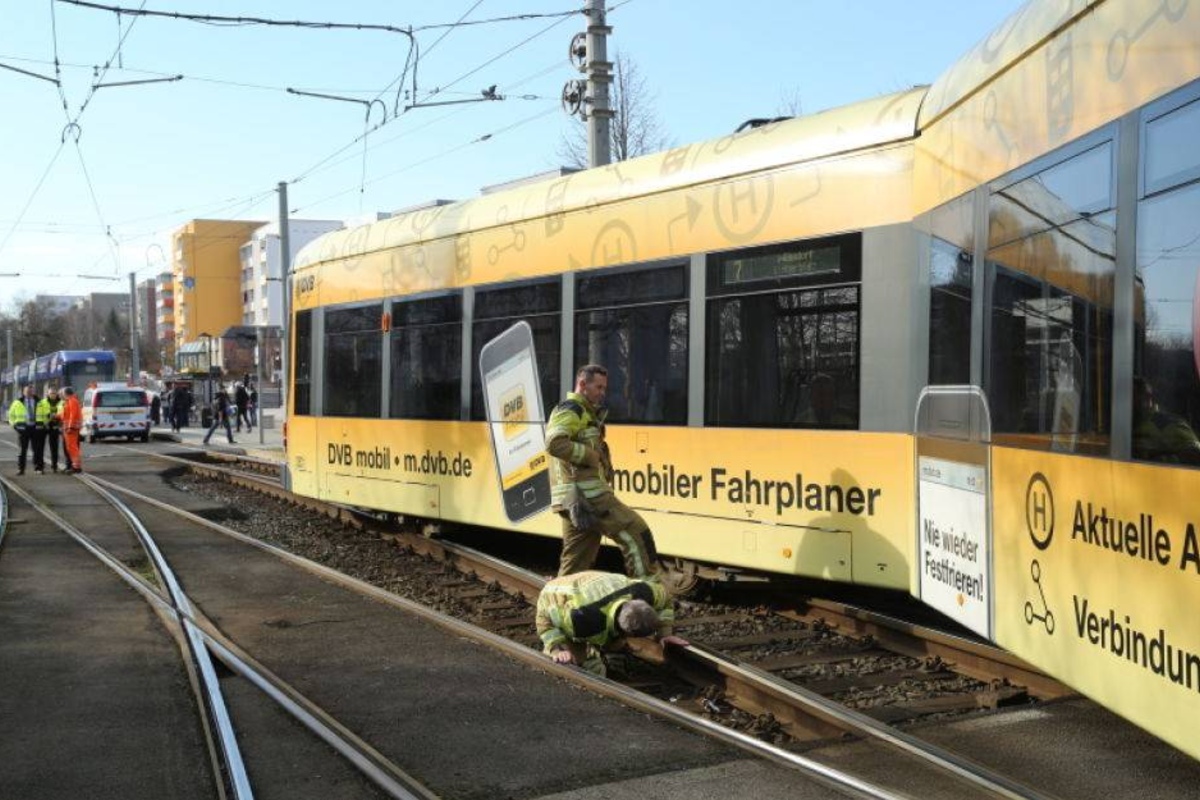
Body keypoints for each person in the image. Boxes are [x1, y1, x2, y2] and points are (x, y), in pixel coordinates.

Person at [545, 364, 660, 580]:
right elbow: (554, 443)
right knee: (636, 533)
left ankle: (559, 609)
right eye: (598, 387)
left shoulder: (585, 413)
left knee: (576, 564)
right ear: (582, 384)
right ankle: (648, 593)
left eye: (604, 388)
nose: (602, 393)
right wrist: (591, 456)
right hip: (588, 495)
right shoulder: (572, 409)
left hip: (575, 499)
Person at [535, 570, 687, 676]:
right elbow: (545, 622)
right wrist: (557, 648)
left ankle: (611, 654)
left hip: (591, 583)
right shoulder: (581, 619)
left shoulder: (645, 591)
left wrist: (664, 634)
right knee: (587, 666)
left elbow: (667, 600)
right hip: (554, 598)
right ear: (625, 632)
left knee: (610, 646)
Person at [1132, 377, 1200, 465]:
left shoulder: (1168, 424)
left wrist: (1156, 462)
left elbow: (1195, 454)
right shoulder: (1130, 424)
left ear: (1148, 399)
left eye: (1133, 396)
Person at [7, 385, 39, 475]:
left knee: (36, 449)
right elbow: (10, 415)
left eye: (31, 391)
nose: (29, 393)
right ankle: (21, 469)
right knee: (22, 450)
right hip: (23, 429)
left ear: (33, 392)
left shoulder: (39, 401)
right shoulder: (17, 402)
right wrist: (14, 425)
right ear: (23, 392)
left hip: (35, 428)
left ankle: (37, 467)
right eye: (27, 391)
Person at [60, 386, 83, 473]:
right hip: (69, 428)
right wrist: (57, 416)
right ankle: (75, 465)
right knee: (70, 447)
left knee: (72, 448)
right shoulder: (69, 401)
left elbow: (73, 415)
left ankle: (76, 467)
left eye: (62, 393)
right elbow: (66, 414)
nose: (60, 395)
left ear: (65, 394)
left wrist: (70, 427)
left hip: (71, 428)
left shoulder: (72, 401)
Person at [41, 387, 63, 473]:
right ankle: (41, 466)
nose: (52, 395)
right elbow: (39, 413)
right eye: (51, 393)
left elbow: (62, 412)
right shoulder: (43, 402)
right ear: (48, 394)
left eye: (54, 393)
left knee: (54, 448)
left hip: (55, 426)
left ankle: (54, 466)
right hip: (45, 426)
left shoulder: (61, 402)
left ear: (57, 394)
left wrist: (57, 418)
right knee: (41, 447)